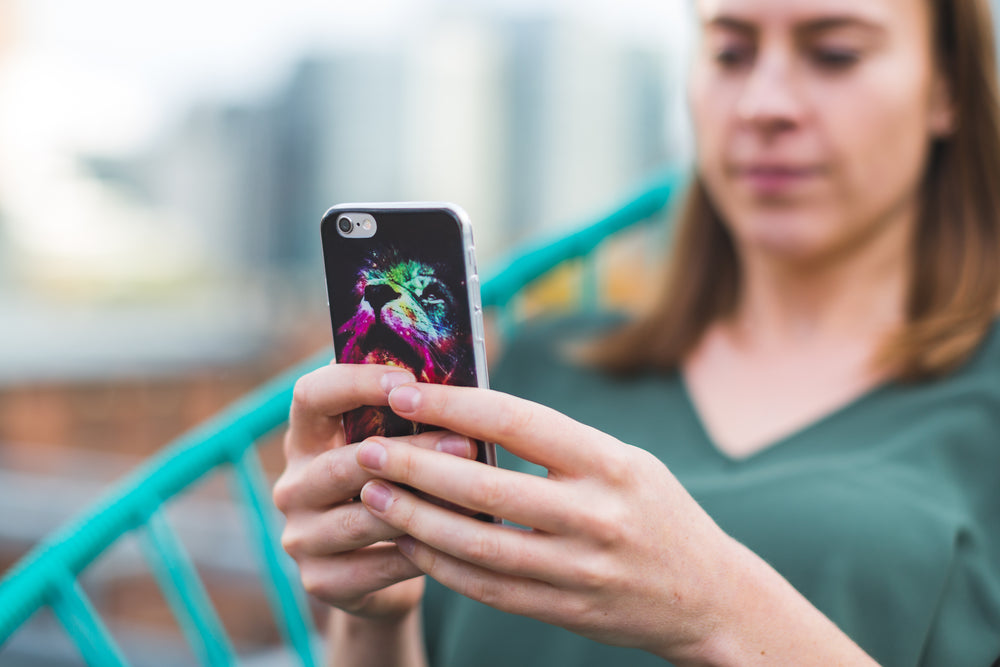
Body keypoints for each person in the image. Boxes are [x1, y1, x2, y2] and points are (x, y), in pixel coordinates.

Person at [272, 0, 1000, 664]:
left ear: (948, 89)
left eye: (835, 53)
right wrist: (371, 611)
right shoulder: (536, 369)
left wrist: (719, 609)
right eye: (729, 53)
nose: (763, 104)